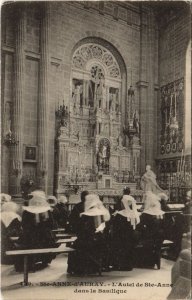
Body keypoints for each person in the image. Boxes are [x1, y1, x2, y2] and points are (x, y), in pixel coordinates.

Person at [67, 194, 110, 275]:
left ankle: (82, 268)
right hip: (100, 240)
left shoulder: (85, 214)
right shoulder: (102, 213)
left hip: (86, 239)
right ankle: (99, 266)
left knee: (76, 247)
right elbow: (105, 228)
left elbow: (81, 229)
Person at [15, 191, 57, 272]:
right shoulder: (46, 211)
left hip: (29, 236)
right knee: (47, 241)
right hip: (44, 237)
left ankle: (30, 263)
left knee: (28, 243)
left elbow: (24, 224)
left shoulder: (27, 211)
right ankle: (45, 261)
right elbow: (51, 224)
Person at [111, 187, 140, 271]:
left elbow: (115, 227)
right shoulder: (134, 213)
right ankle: (129, 265)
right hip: (131, 238)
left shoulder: (120, 214)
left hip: (121, 238)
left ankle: (119, 264)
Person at [135, 191, 165, 269]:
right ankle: (156, 261)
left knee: (141, 239)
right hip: (160, 235)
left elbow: (139, 225)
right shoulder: (160, 213)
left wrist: (144, 229)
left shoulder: (146, 213)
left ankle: (147, 262)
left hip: (150, 236)